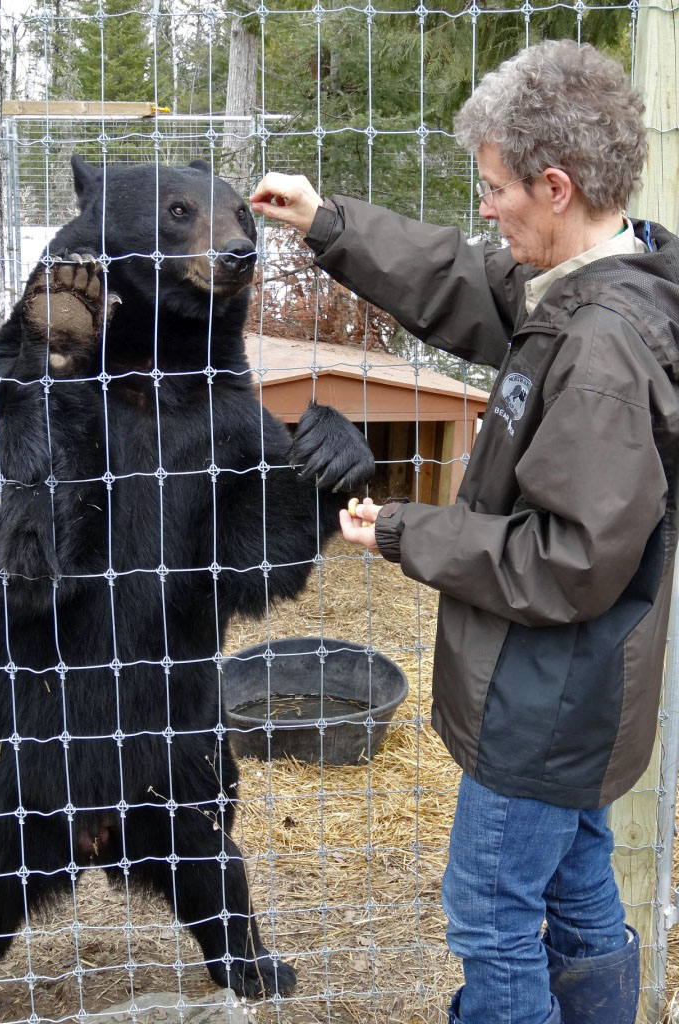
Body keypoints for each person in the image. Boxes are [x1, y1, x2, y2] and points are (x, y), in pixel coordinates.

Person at [249, 39, 679, 1024]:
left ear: (556, 186)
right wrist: (330, 223)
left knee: (490, 916)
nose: (483, 209)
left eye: (493, 189)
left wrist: (408, 531)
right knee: (576, 893)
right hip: (578, 703)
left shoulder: (602, 351)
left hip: (545, 709)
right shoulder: (590, 284)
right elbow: (461, 279)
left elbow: (569, 561)